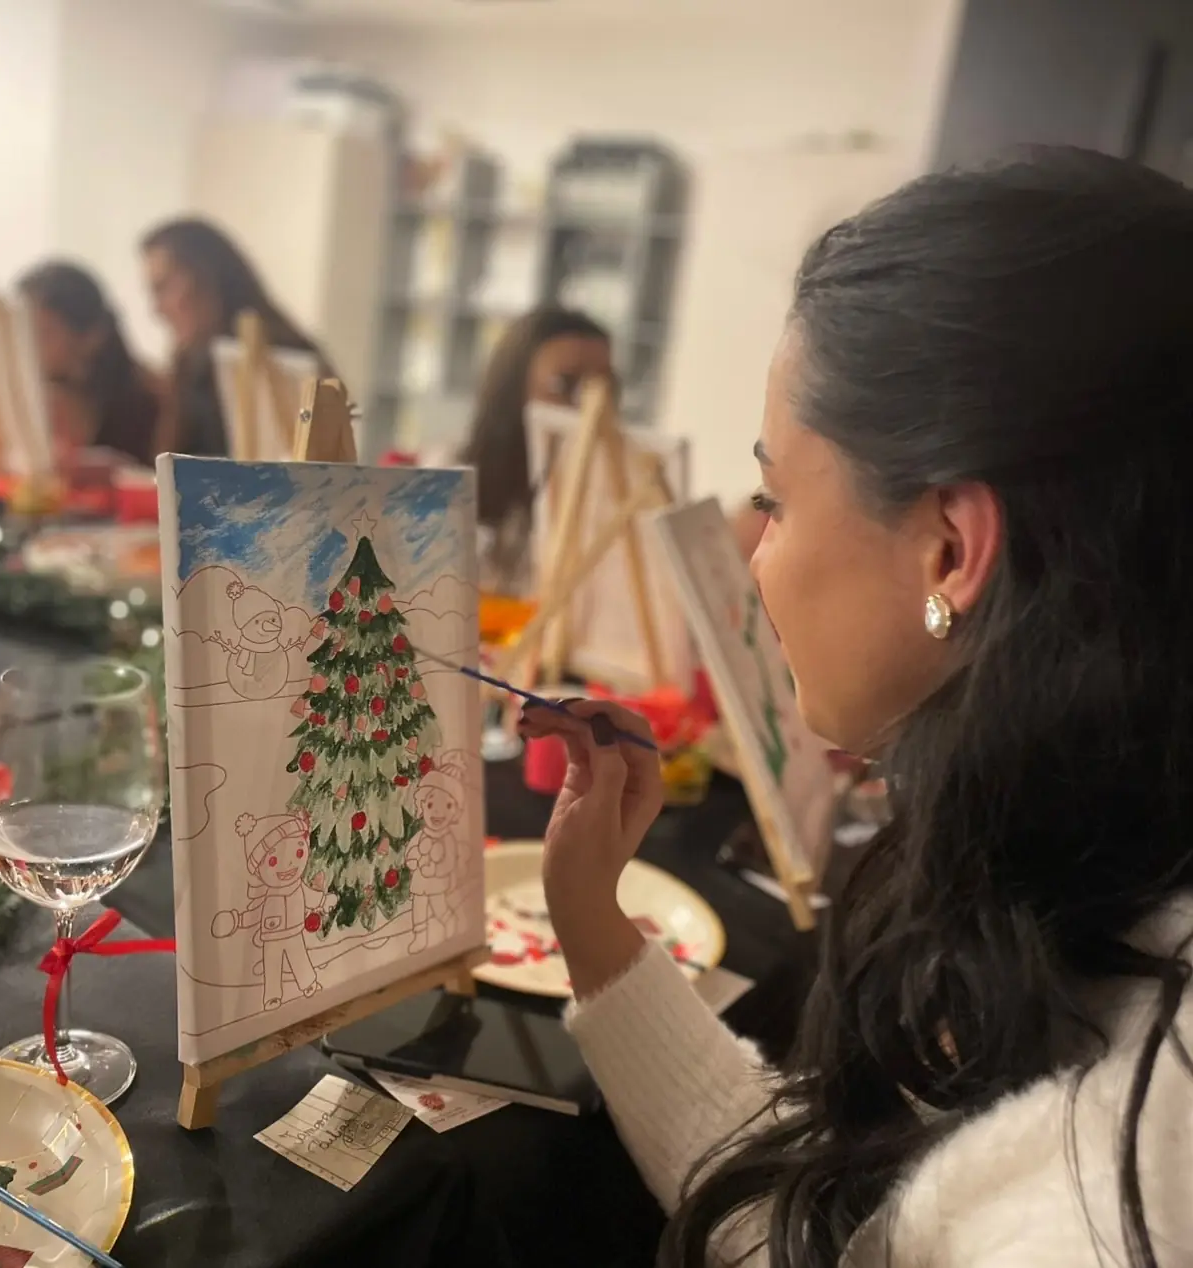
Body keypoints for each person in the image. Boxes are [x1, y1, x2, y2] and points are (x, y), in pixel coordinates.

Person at [520, 147, 1193, 1267]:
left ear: (950, 550)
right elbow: (821, 1221)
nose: (757, 560)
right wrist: (591, 915)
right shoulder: (1082, 874)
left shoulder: (1108, 1194)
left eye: (776, 499)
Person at [140, 218, 330, 457]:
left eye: (163, 288)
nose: (157, 309)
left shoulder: (283, 361)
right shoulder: (193, 368)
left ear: (207, 276)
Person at [456, 307, 613, 595]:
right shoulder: (448, 487)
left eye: (604, 388)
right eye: (565, 384)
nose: (587, 405)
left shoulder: (611, 506)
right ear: (512, 389)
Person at [18, 262, 165, 467]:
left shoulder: (153, 397)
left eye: (44, 334)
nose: (28, 348)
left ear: (92, 335)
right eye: (21, 333)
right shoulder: (34, 398)